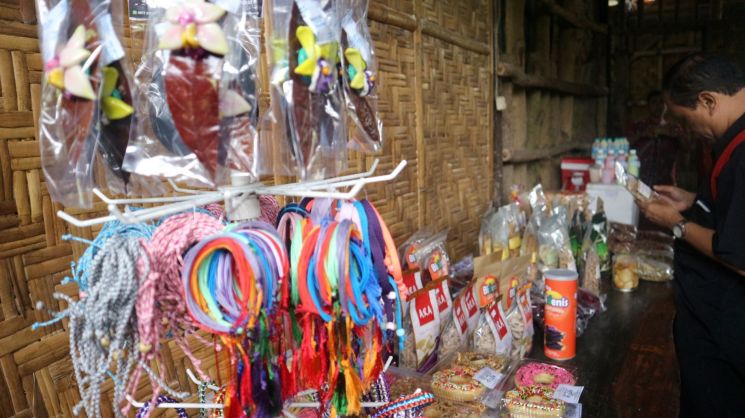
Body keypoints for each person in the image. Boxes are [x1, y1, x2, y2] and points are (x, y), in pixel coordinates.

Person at [637, 53, 745, 417]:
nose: (687, 129)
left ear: (708, 101)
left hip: (727, 332)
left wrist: (676, 224)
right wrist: (695, 202)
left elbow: (739, 256)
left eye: (686, 118)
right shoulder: (736, 138)